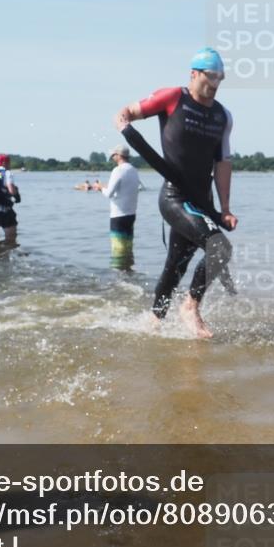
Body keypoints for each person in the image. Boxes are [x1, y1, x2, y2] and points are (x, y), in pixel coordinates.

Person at [113, 47, 237, 339]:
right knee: (220, 248)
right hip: (175, 197)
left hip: (202, 201)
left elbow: (223, 163)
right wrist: (122, 119)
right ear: (194, 73)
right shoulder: (172, 98)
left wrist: (225, 208)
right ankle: (191, 306)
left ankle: (154, 323)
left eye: (220, 79)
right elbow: (130, 111)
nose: (214, 85)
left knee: (176, 266)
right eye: (209, 78)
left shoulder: (223, 116)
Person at [94, 145, 140, 270]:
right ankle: (129, 270)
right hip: (131, 214)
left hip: (118, 215)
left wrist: (99, 188)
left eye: (113, 155)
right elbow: (126, 189)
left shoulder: (118, 170)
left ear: (119, 156)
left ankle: (119, 278)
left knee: (118, 249)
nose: (112, 157)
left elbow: (109, 194)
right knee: (128, 247)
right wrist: (105, 186)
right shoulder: (134, 170)